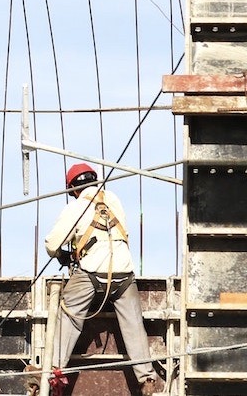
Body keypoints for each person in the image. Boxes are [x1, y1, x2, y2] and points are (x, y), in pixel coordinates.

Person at [41, 163, 162, 394]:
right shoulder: (114, 199)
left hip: (91, 272)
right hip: (124, 274)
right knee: (134, 324)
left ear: (73, 190)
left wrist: (62, 256)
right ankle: (147, 377)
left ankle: (54, 368)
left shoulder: (77, 205)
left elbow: (51, 243)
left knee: (70, 314)